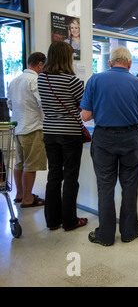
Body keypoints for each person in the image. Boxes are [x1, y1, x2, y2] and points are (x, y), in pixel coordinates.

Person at [80, 47, 138, 246]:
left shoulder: (95, 80)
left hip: (103, 139)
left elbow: (85, 116)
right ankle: (129, 231)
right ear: (129, 64)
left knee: (105, 186)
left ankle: (105, 235)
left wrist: (103, 109)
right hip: (131, 138)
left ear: (110, 63)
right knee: (130, 186)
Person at [37, 41, 87, 231]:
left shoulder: (42, 78)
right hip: (70, 132)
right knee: (71, 177)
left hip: (49, 131)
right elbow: (83, 106)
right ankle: (69, 220)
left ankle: (52, 220)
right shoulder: (72, 81)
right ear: (66, 57)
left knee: (54, 176)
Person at [7, 52, 47, 208]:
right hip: (33, 127)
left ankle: (20, 194)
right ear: (39, 64)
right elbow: (42, 103)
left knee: (19, 163)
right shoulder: (35, 80)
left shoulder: (14, 81)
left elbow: (10, 104)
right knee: (31, 165)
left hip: (18, 128)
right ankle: (28, 198)